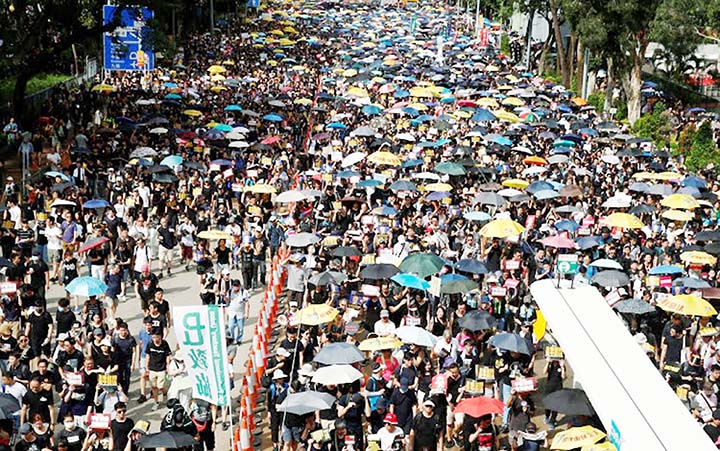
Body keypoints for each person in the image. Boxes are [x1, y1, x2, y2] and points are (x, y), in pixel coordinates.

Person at [144, 331, 171, 410]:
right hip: (152, 368)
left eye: (157, 337)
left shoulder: (164, 344)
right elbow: (148, 355)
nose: (155, 339)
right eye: (153, 337)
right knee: (153, 386)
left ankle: (165, 392)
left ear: (160, 337)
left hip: (161, 368)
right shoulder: (150, 344)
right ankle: (156, 402)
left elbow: (167, 355)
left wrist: (167, 365)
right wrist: (146, 366)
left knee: (160, 386)